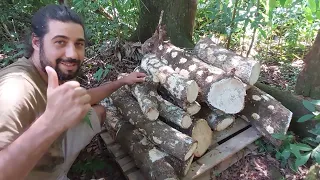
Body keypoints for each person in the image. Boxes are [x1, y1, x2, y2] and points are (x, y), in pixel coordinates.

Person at [0, 4, 146, 180]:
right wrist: (50, 124)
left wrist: (122, 81)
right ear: (36, 42)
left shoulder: (48, 72)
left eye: (78, 44)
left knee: (98, 112)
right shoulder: (15, 89)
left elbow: (85, 97)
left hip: (52, 150)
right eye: (60, 42)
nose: (73, 54)